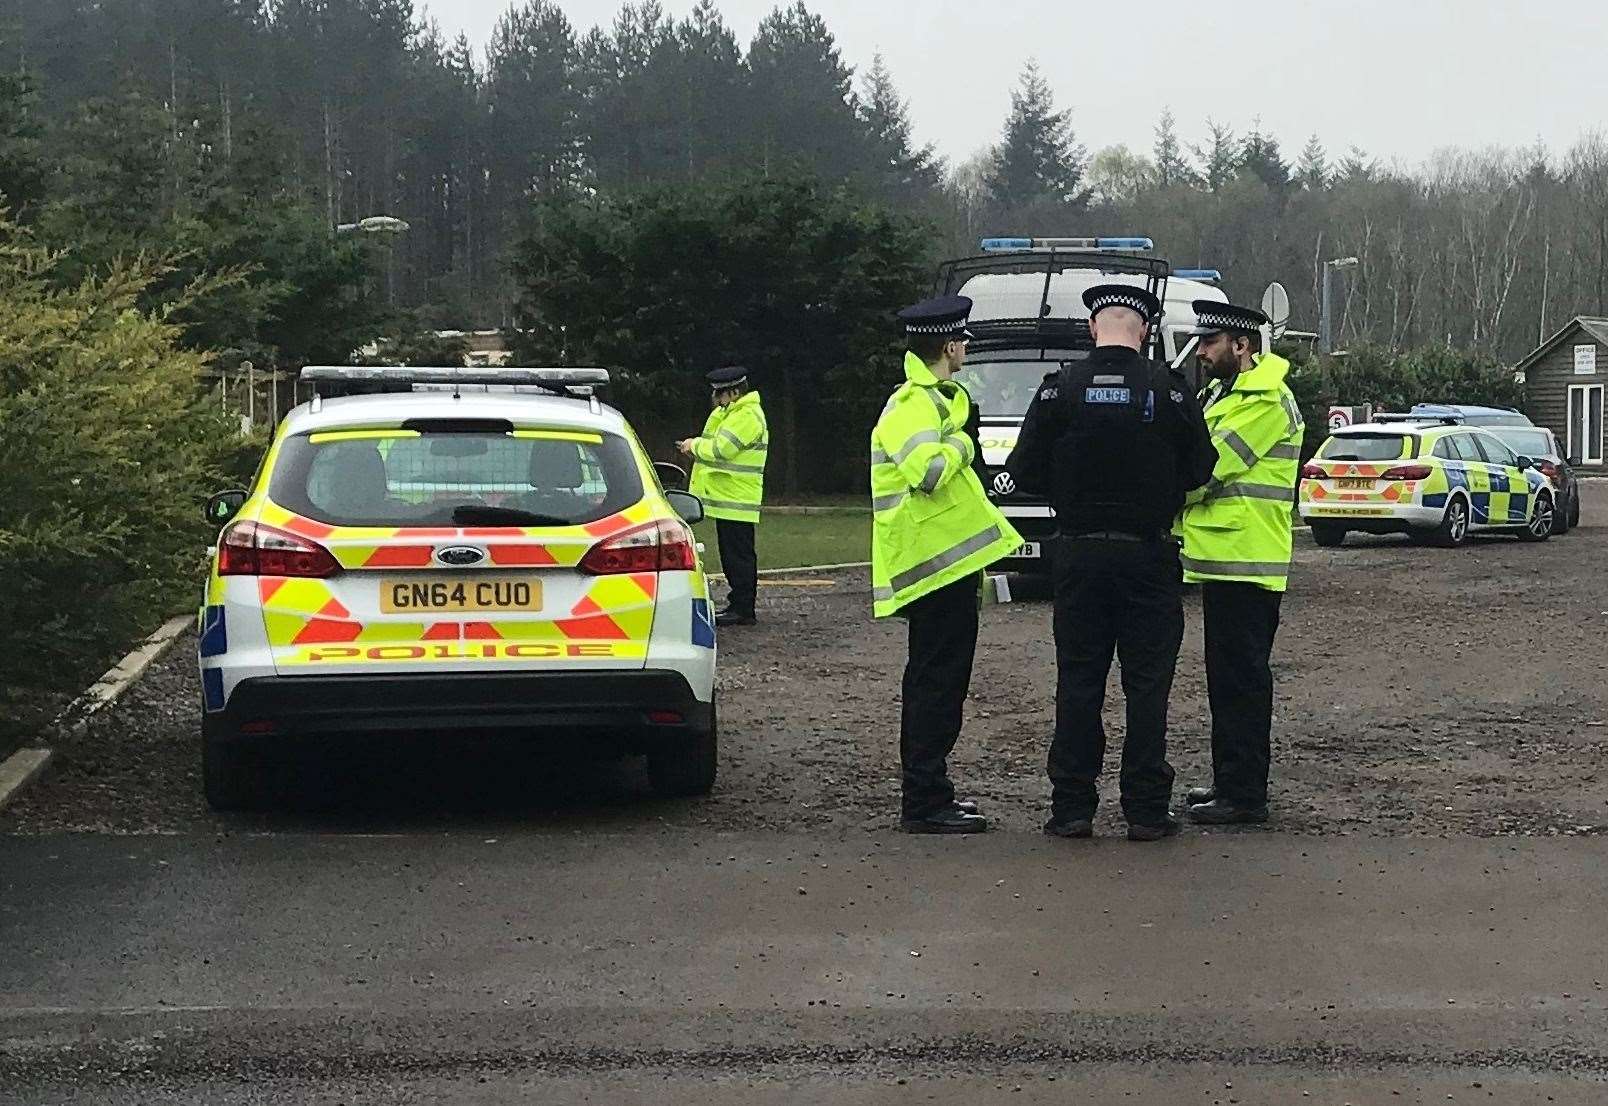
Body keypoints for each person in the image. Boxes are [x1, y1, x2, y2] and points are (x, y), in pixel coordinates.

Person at [1005, 284, 1215, 842]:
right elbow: (1201, 468)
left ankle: (1072, 807)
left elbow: (1022, 469)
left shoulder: (1061, 389)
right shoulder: (1169, 391)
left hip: (1077, 553)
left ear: (1093, 328)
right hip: (1147, 554)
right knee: (1148, 685)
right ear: (1144, 332)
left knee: (1079, 680)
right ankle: (1146, 810)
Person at [871, 295, 1023, 834]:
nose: (967, 349)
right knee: (935, 686)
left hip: (944, 566)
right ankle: (925, 800)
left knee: (940, 684)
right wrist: (961, 441)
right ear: (949, 345)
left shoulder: (936, 399)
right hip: (930, 566)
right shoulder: (915, 403)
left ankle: (932, 793)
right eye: (963, 341)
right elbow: (928, 472)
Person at [1176, 300, 1305, 826]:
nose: (1201, 353)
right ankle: (1230, 781)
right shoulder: (1227, 393)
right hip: (1226, 557)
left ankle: (1245, 794)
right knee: (1226, 678)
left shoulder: (1265, 399)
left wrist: (1153, 493)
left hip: (1247, 559)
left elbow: (1208, 470)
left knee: (1242, 681)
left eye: (1210, 343)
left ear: (1243, 346)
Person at [678, 366, 767, 627]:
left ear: (734, 392)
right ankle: (738, 604)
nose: (716, 399)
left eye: (720, 394)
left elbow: (722, 450)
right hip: (730, 498)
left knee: (739, 556)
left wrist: (693, 445)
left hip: (737, 499)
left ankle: (743, 608)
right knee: (733, 554)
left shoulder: (747, 416)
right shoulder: (733, 414)